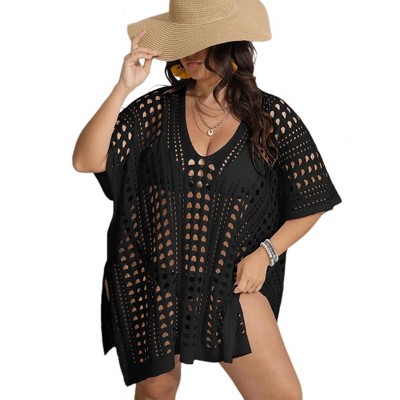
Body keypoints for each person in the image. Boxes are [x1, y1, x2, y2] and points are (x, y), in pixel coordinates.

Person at [72, 0, 342, 399]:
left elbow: (314, 196)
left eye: (203, 41)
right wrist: (124, 87)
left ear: (231, 44)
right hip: (154, 278)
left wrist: (266, 253)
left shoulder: (270, 116)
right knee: (157, 391)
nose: (190, 52)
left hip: (230, 282)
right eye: (183, 41)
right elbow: (87, 160)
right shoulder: (155, 110)